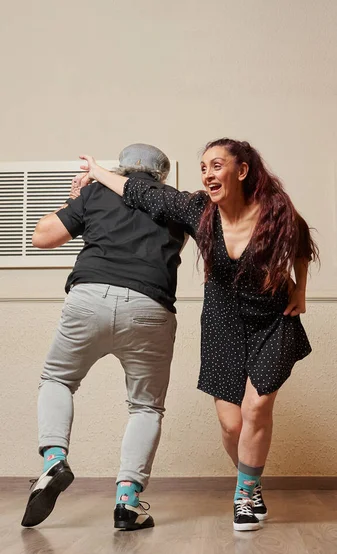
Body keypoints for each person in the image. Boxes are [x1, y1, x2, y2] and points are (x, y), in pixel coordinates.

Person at [78, 138, 318, 531]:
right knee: (231, 424)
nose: (207, 173)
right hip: (223, 321)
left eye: (216, 165)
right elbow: (139, 191)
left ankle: (243, 496)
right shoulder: (199, 211)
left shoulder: (275, 209)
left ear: (241, 171)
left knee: (257, 407)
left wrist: (301, 288)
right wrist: (97, 173)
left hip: (272, 318)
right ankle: (252, 485)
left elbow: (302, 241)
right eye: (203, 166)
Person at [21, 143, 188, 531]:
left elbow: (41, 237)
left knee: (58, 379)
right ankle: (128, 504)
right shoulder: (176, 203)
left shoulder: (96, 191)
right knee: (146, 407)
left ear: (121, 169)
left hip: (90, 297)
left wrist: (75, 199)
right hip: (151, 306)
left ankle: (53, 462)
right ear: (161, 175)